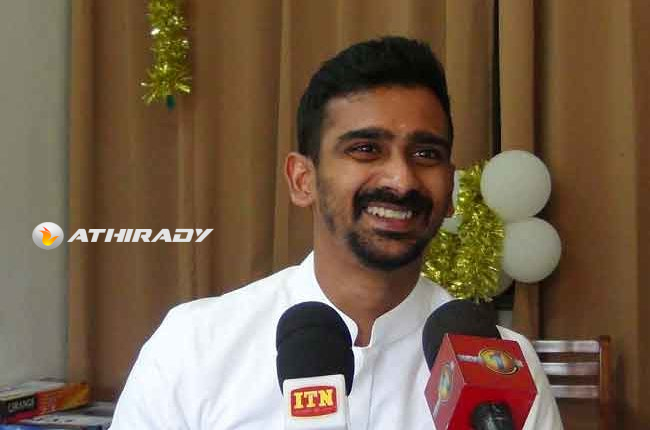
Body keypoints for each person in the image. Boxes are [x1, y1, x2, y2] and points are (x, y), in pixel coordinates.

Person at [109, 36, 563, 429]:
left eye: (426, 154)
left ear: (450, 192)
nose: (401, 180)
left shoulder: (502, 366)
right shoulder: (196, 346)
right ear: (302, 179)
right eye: (366, 149)